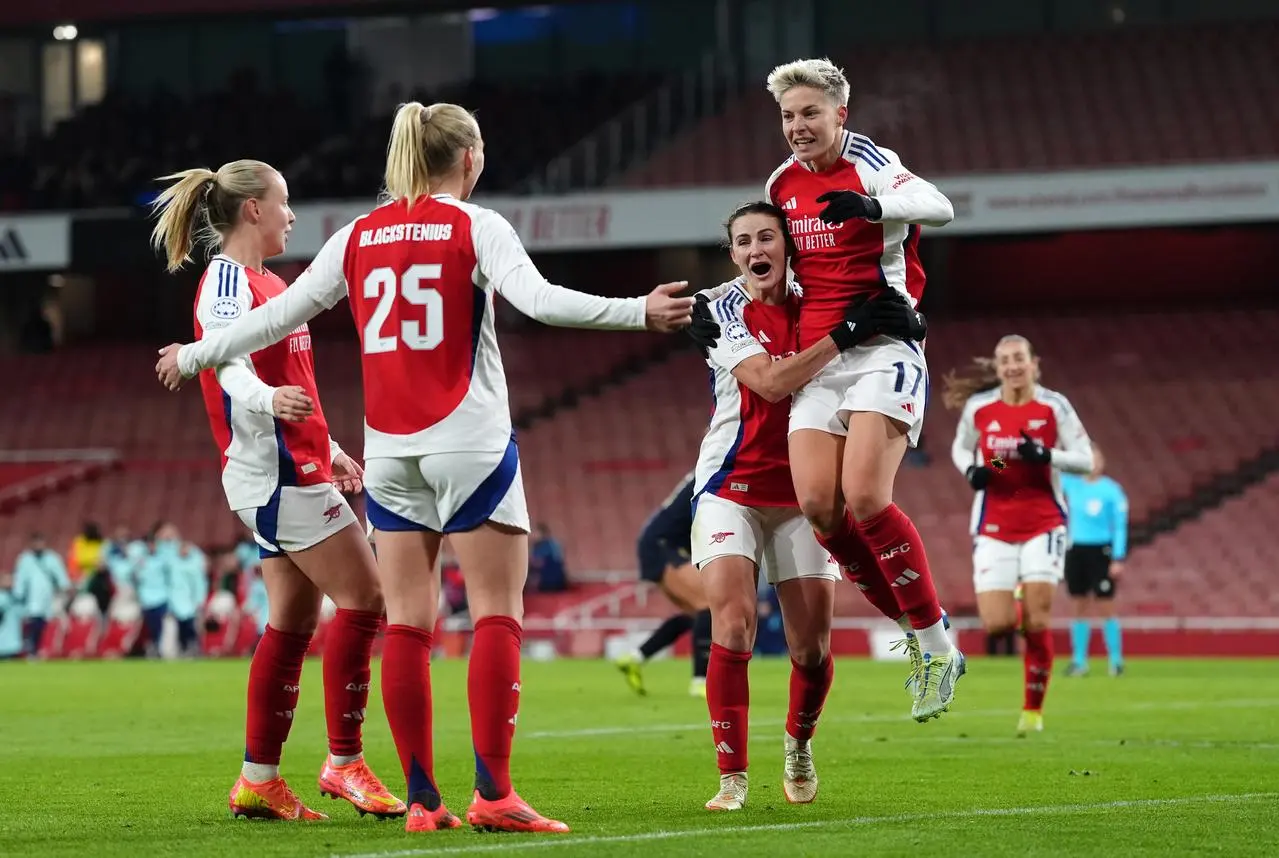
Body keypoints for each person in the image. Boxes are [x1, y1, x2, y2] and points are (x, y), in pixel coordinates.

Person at [153, 101, 693, 834]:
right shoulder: (476, 225)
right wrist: (638, 312)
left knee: (404, 621)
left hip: (389, 456)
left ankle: (423, 803)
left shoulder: (357, 235)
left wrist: (194, 355)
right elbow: (539, 300)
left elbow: (269, 323)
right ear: (468, 159)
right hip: (467, 442)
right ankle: (493, 795)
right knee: (497, 611)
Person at [694, 57, 961, 721]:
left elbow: (939, 205)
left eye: (809, 113)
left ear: (840, 115)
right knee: (818, 508)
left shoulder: (869, 161)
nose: (797, 126)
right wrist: (718, 302)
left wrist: (876, 205)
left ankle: (935, 642)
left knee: (865, 497)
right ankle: (912, 629)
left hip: (882, 347)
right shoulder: (780, 184)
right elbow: (769, 267)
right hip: (823, 358)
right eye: (787, 116)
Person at [149, 160, 404, 822]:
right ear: (253, 211)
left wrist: (336, 450)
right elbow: (227, 362)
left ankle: (258, 778)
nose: (292, 215)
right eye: (284, 203)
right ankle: (344, 761)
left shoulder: (272, 281)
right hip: (274, 472)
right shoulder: (227, 281)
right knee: (367, 597)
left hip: (297, 464)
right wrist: (268, 400)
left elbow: (296, 384)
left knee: (290, 624)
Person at [695, 201, 926, 811]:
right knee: (735, 620)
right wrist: (846, 331)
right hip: (731, 488)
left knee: (811, 649)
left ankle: (798, 744)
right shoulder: (718, 307)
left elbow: (881, 324)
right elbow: (770, 382)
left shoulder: (816, 299)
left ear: (789, 245)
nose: (754, 250)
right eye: (742, 241)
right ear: (732, 253)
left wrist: (898, 324)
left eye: (766, 237)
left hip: (802, 496)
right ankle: (732, 778)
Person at [944, 335, 1095, 736]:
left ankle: (1033, 710)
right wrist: (977, 468)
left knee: (1037, 620)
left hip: (1044, 521)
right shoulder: (980, 408)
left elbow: (1085, 459)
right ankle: (1015, 592)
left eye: (1019, 359)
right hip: (993, 522)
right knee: (996, 625)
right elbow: (963, 449)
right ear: (997, 368)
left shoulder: (1054, 405)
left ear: (1034, 364)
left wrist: (1047, 456)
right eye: (1005, 360)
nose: (1012, 366)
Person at [614, 473, 714, 699]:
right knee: (707, 604)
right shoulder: (713, 472)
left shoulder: (708, 469)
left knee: (693, 615)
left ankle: (635, 657)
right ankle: (700, 682)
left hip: (659, 543)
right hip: (662, 545)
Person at [1061, 443, 1129, 677]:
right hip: (1076, 550)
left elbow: (1120, 526)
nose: (1093, 464)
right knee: (1079, 606)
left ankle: (1116, 661)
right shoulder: (1070, 485)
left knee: (1105, 605)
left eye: (1096, 459)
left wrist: (1118, 557)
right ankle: (1079, 662)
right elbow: (1051, 469)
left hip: (1101, 551)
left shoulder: (1112, 490)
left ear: (1103, 462)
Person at [12, 532, 71, 658]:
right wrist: (18, 594)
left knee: (44, 623)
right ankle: (32, 649)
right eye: (36, 543)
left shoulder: (52, 558)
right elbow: (20, 578)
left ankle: (39, 648)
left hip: (48, 596)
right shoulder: (25, 559)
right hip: (30, 597)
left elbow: (60, 575)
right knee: (33, 621)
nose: (38, 545)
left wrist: (65, 586)